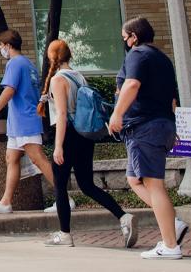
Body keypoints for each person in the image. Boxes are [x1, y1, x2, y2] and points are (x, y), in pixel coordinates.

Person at [38, 38, 135, 248]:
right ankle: (123, 216)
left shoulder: (57, 79)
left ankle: (64, 234)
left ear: (52, 57)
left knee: (60, 186)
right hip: (85, 136)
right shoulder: (79, 76)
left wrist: (58, 146)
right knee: (87, 185)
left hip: (69, 135)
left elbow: (63, 114)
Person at [108, 17, 189, 260]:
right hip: (160, 125)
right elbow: (172, 99)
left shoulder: (138, 54)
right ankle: (170, 223)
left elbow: (131, 85)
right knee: (134, 179)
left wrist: (117, 114)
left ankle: (170, 245)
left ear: (134, 36)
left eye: (125, 37)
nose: (125, 42)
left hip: (145, 127)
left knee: (154, 184)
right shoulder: (163, 59)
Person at [0, 29, 56, 213]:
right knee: (12, 158)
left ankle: (64, 198)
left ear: (8, 45)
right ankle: (6, 202)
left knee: (38, 159)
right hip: (21, 121)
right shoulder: (28, 64)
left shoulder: (14, 64)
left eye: (1, 45)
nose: (0, 49)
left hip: (24, 120)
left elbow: (9, 90)